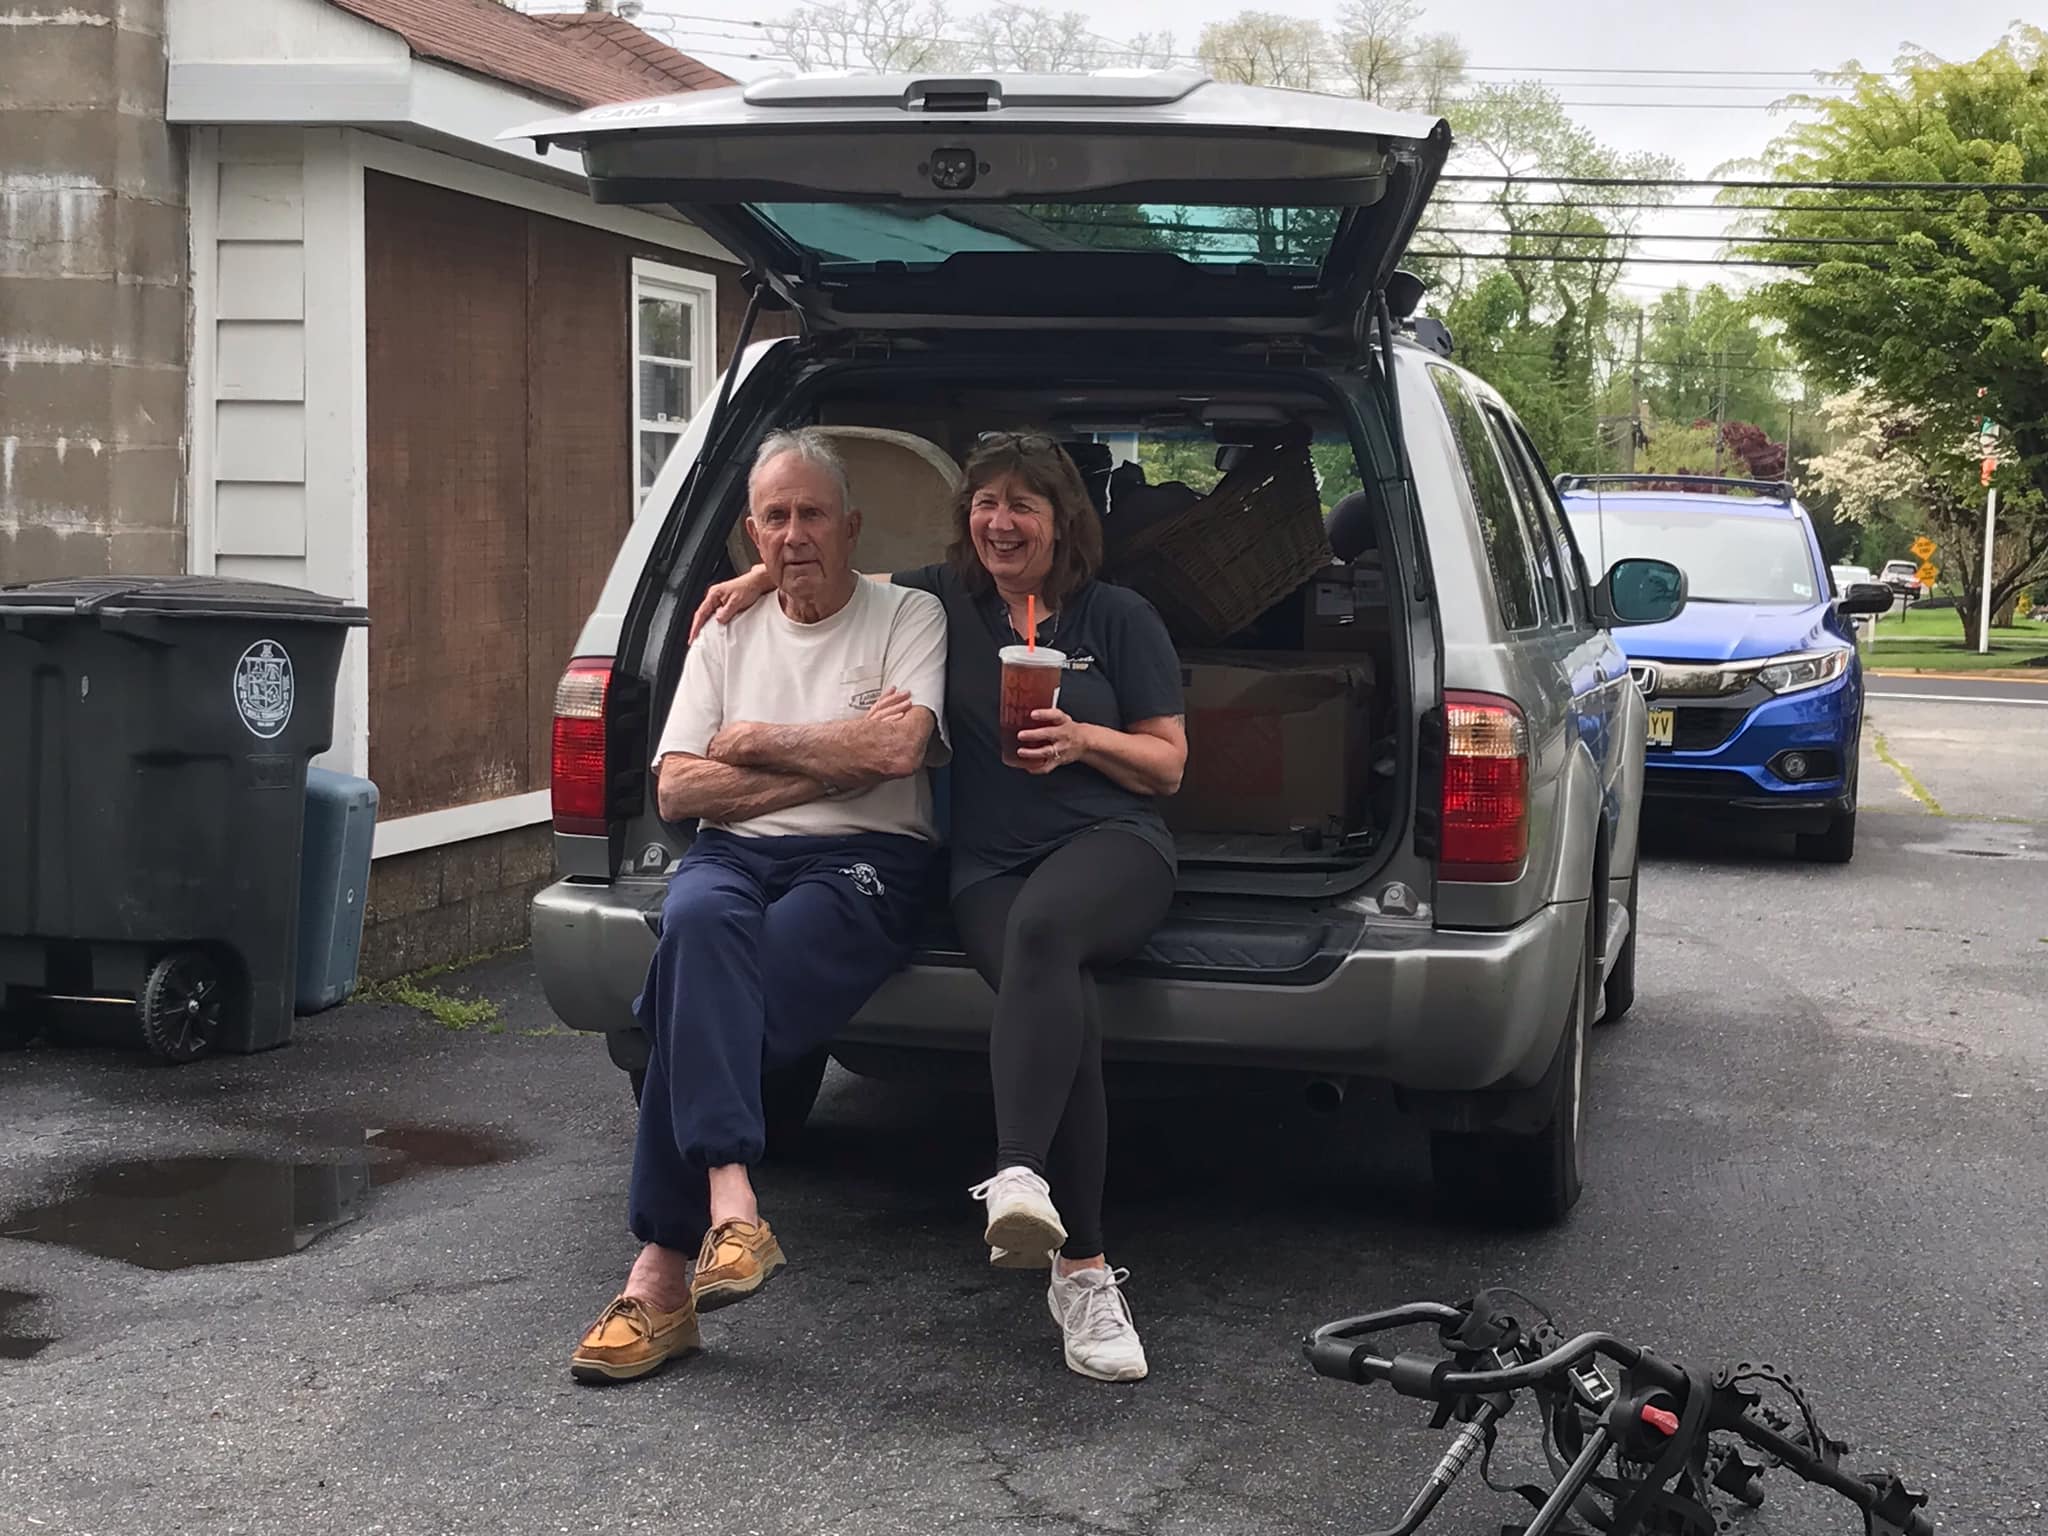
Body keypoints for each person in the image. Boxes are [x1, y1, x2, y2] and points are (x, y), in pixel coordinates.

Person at [693, 431, 1187, 1382]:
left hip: (1111, 844)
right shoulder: (939, 603)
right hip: (986, 866)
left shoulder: (1120, 616)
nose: (1000, 522)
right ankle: (1082, 1273)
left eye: (1023, 505)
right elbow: (841, 575)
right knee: (1063, 1004)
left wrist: (1083, 739)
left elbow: (1168, 765)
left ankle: (1018, 1173)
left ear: (1062, 521)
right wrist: (759, 576)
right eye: (985, 502)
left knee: (1047, 933)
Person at [572, 428, 949, 1385]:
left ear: (852, 526)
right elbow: (677, 791)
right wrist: (831, 761)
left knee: (691, 993)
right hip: (733, 854)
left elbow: (898, 752)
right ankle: (731, 1202)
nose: (793, 534)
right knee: (696, 924)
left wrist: (748, 739)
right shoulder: (725, 630)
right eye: (774, 517)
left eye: (812, 513)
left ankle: (659, 1275)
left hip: (866, 860)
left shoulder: (910, 615)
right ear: (750, 532)